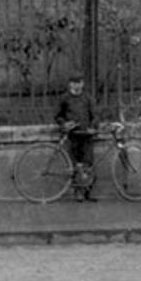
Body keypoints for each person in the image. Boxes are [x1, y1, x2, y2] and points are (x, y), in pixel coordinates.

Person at [54, 72, 100, 201]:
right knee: (75, 164)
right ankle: (77, 191)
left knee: (88, 163)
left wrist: (93, 127)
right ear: (70, 84)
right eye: (74, 83)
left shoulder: (88, 98)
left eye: (79, 83)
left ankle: (88, 191)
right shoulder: (64, 99)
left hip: (86, 135)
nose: (77, 86)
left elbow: (95, 115)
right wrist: (64, 124)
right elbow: (57, 115)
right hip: (73, 135)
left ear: (82, 84)